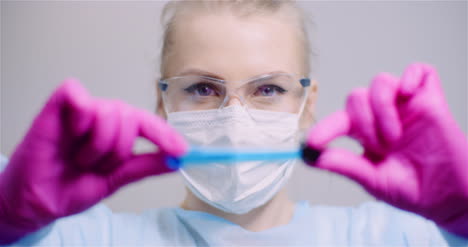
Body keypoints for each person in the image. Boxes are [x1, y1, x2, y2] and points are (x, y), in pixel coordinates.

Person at [1, 0, 467, 246]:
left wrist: (463, 215)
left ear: (308, 104)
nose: (235, 118)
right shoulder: (80, 239)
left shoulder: (403, 238)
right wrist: (8, 221)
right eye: (203, 88)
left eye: (269, 89)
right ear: (162, 104)